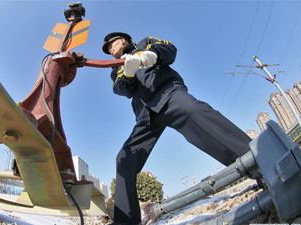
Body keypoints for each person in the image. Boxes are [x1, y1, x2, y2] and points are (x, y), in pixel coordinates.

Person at [102, 32, 258, 225]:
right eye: (107, 49)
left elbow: (170, 50)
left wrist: (151, 55)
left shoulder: (146, 42)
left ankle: (261, 164)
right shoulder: (115, 67)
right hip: (146, 115)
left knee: (194, 113)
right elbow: (120, 89)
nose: (109, 50)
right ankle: (126, 222)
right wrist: (127, 73)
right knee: (124, 159)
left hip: (168, 95)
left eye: (110, 45)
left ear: (122, 40)